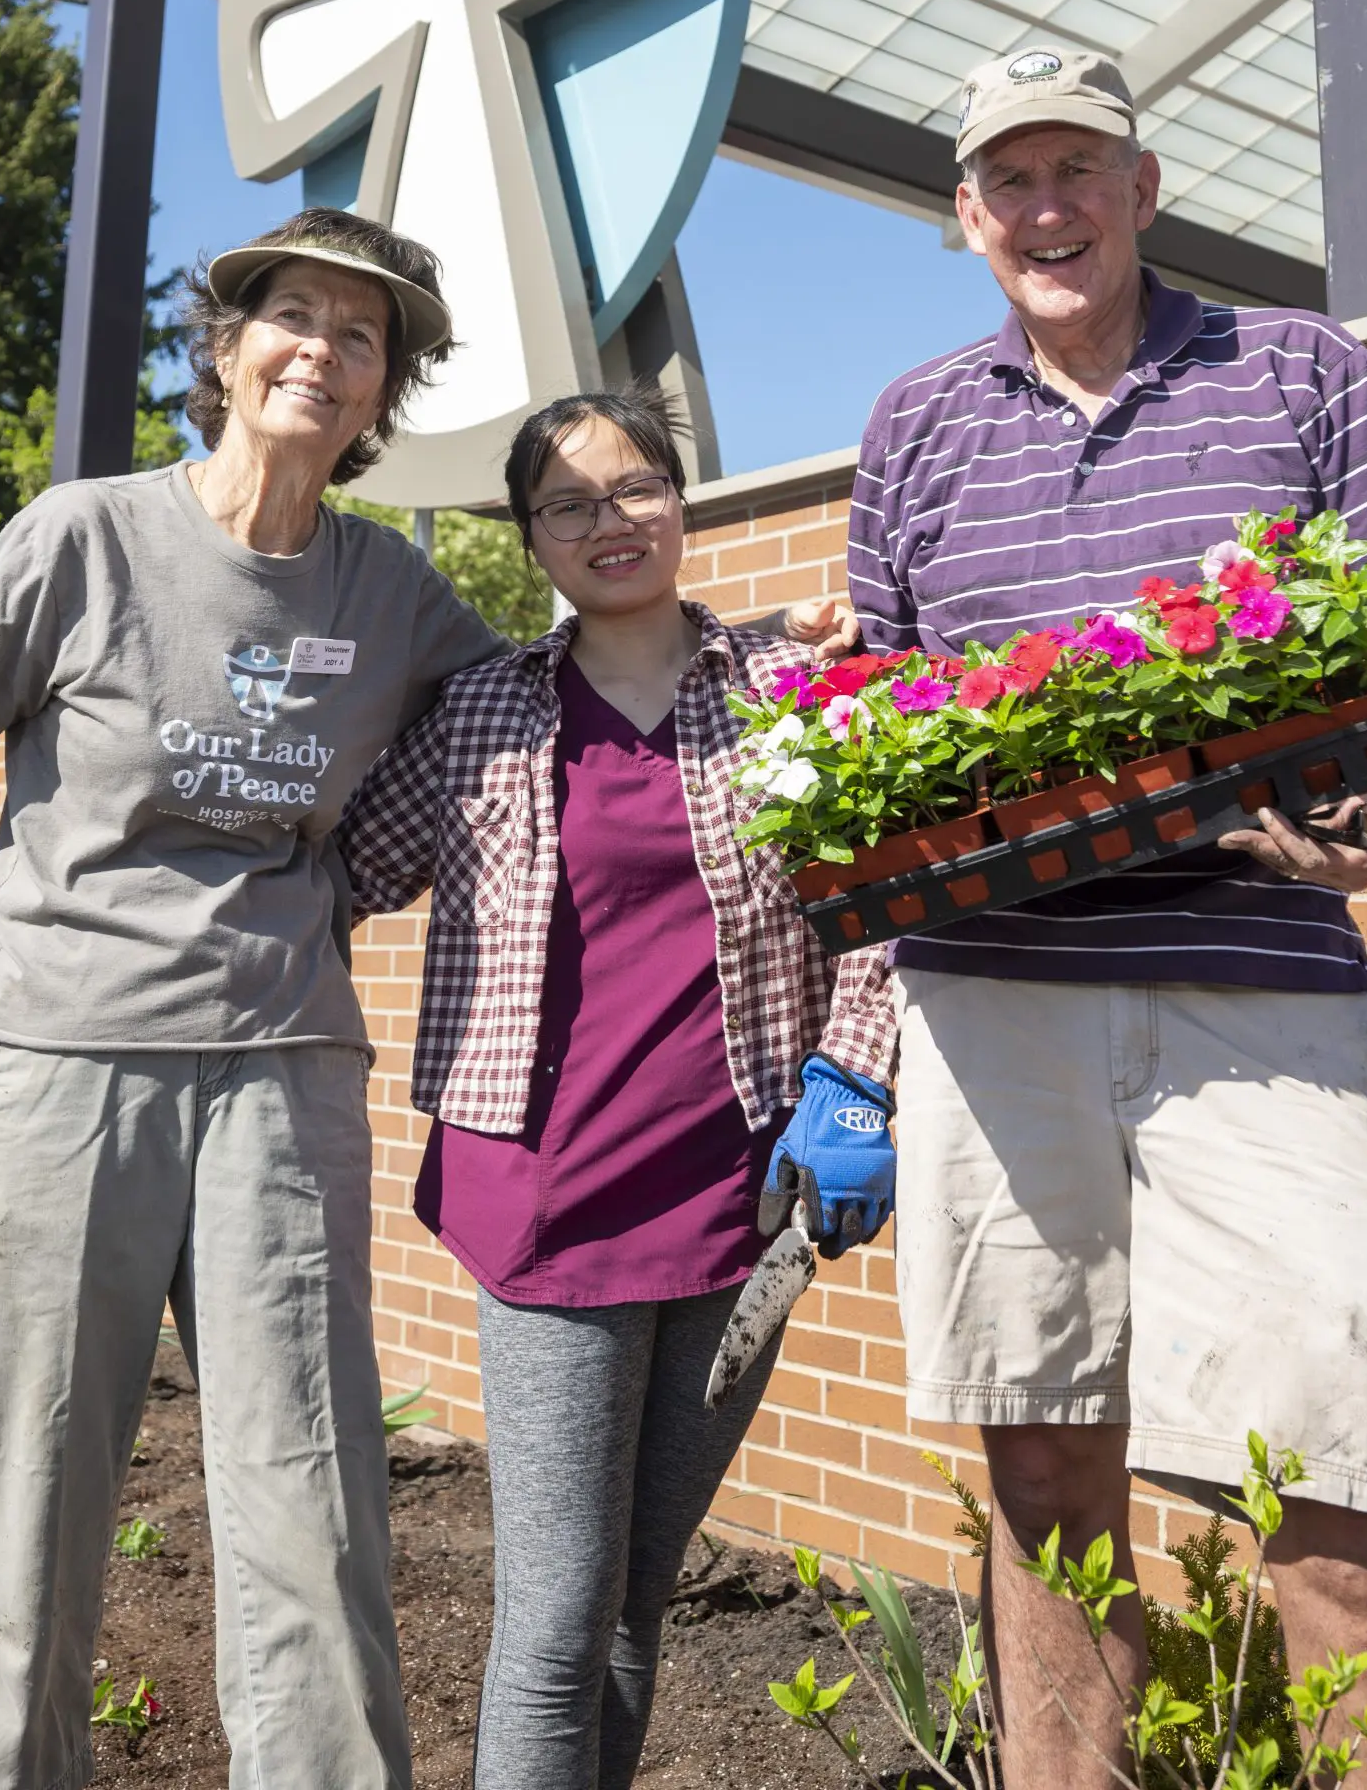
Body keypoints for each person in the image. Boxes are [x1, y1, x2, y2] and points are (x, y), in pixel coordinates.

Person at [0, 209, 509, 1790]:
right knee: (34, 1505)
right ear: (231, 347)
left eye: (363, 333)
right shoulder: (82, 535)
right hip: (60, 1071)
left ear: (386, 391)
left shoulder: (392, 590)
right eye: (292, 316)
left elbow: (564, 701)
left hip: (281, 1075)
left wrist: (764, 656)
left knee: (313, 1508)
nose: (320, 347)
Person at [847, 47, 1367, 1787]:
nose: (1046, 208)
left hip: (1259, 998)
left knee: (1338, 1488)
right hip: (991, 1004)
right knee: (1042, 1478)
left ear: (1141, 187)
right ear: (964, 218)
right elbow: (874, 724)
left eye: (1079, 171)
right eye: (1009, 181)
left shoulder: (1297, 366)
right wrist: (853, 1041)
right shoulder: (916, 422)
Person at [333, 385, 899, 1790]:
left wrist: (860, 1083)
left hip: (740, 1197)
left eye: (633, 487)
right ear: (532, 536)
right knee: (552, 1621)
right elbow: (331, 873)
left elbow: (886, 898)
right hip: (547, 1202)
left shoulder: (788, 688)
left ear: (680, 499)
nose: (608, 521)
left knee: (638, 1609)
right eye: (569, 501)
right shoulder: (478, 713)